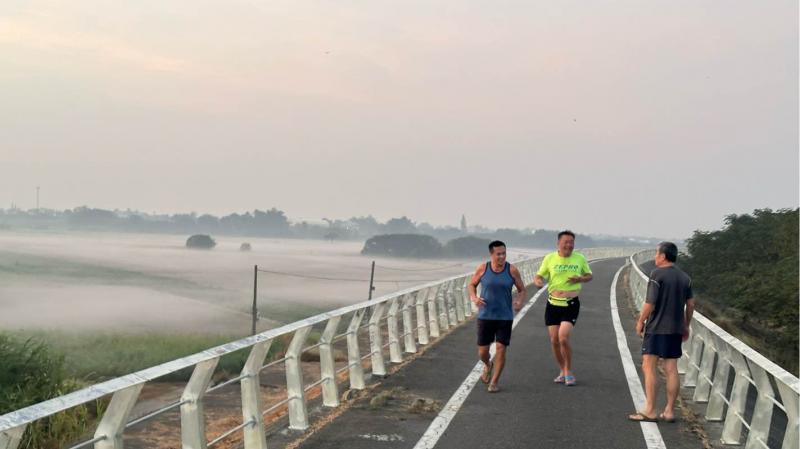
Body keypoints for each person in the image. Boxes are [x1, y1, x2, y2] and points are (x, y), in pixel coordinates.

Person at [629, 242, 695, 423]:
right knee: (671, 368)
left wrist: (640, 321)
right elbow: (690, 304)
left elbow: (650, 303)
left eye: (657, 253)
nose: (655, 257)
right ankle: (669, 411)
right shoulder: (685, 277)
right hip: (676, 328)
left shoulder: (657, 274)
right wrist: (686, 325)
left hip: (657, 328)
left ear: (663, 256)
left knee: (648, 366)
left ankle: (650, 410)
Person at [533, 230, 593, 386]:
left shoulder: (579, 258)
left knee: (563, 337)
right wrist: (538, 281)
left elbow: (589, 276)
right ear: (558, 243)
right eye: (566, 242)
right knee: (554, 340)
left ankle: (568, 370)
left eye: (571, 242)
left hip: (570, 304)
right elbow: (539, 275)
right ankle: (562, 370)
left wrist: (580, 279)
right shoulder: (549, 258)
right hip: (553, 304)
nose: (569, 245)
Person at [468, 240, 527, 393]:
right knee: (483, 352)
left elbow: (522, 289)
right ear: (491, 254)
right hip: (485, 316)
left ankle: (494, 382)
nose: (502, 257)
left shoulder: (512, 270)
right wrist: (474, 298)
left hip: (505, 317)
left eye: (504, 254)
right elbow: (472, 284)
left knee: (501, 348)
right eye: (498, 254)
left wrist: (519, 301)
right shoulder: (483, 268)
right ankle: (488, 365)